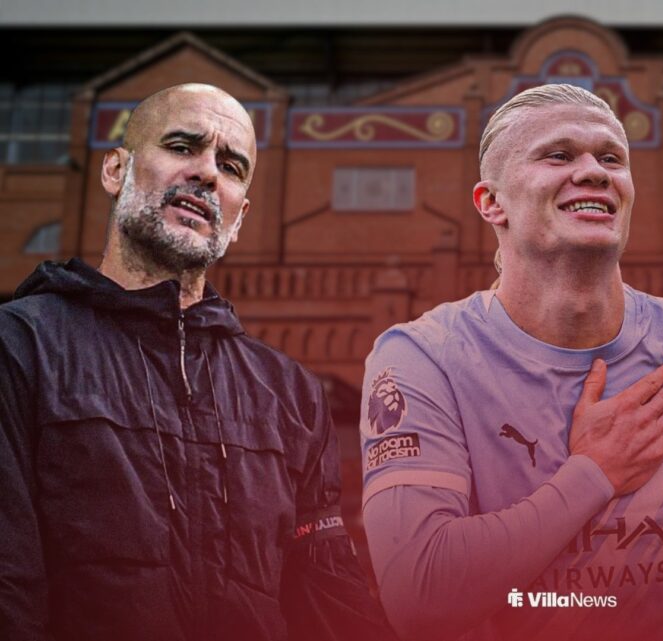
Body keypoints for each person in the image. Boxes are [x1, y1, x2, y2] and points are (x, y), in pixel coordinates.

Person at [359, 83, 663, 641]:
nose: (594, 171)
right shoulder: (423, 357)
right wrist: (595, 475)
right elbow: (421, 596)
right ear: (492, 202)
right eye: (559, 155)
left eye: (611, 158)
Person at [0, 83, 392, 641]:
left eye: (231, 166)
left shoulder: (288, 392)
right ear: (116, 171)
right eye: (183, 147)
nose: (208, 173)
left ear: (241, 213)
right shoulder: (21, 346)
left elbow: (330, 596)